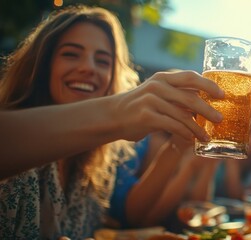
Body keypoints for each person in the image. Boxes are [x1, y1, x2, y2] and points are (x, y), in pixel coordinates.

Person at [0, 6, 224, 238]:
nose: (88, 67)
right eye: (70, 54)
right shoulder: (17, 148)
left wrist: (178, 142)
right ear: (42, 64)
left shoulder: (96, 153)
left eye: (103, 61)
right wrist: (119, 113)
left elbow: (129, 214)